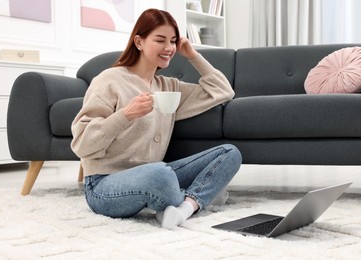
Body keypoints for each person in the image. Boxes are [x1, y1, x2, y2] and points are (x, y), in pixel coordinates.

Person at [71, 8, 242, 230]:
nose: (169, 48)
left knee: (230, 153)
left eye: (173, 41)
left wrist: (192, 55)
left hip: (154, 173)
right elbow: (81, 144)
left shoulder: (168, 87)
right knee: (161, 174)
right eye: (160, 40)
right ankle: (202, 195)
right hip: (104, 184)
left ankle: (185, 208)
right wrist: (125, 115)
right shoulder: (109, 80)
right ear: (139, 42)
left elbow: (223, 91)